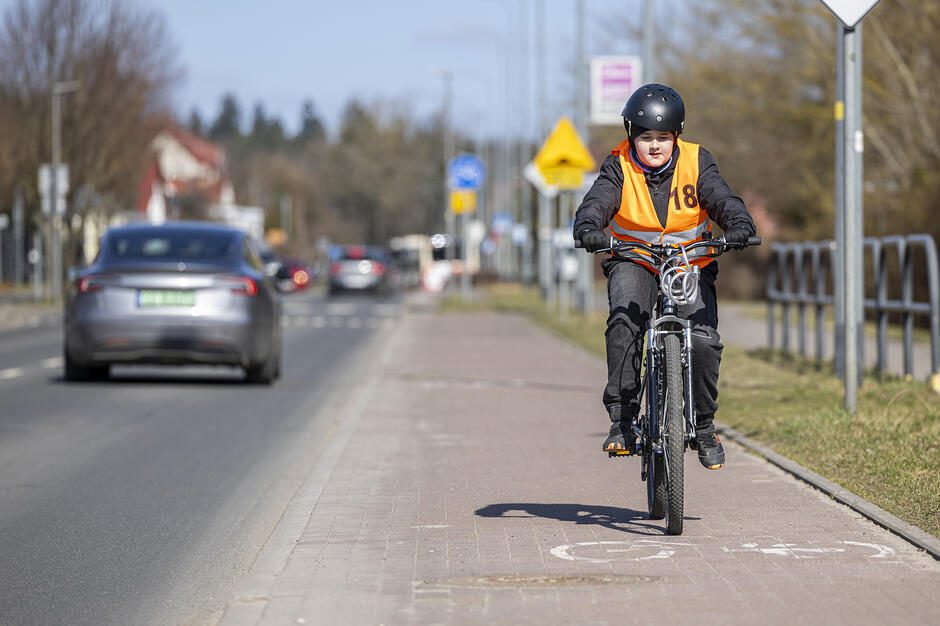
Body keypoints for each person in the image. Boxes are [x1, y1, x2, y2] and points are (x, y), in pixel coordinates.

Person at [573, 83, 756, 470]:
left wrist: (738, 223)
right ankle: (622, 421)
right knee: (624, 325)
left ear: (677, 136)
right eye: (645, 137)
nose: (654, 146)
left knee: (703, 339)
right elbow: (597, 202)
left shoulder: (697, 161)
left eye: (663, 137)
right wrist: (589, 227)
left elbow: (722, 199)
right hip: (633, 260)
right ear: (630, 135)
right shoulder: (617, 165)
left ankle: (704, 426)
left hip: (688, 262)